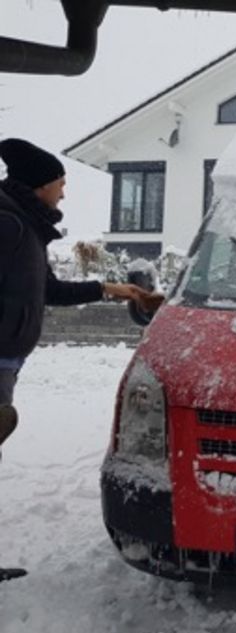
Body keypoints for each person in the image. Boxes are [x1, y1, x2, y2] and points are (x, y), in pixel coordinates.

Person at [0, 138, 160, 582]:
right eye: (60, 184)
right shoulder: (7, 224)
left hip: (8, 358)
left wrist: (109, 289)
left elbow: (48, 290)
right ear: (39, 186)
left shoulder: (26, 225)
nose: (64, 193)